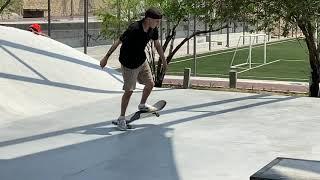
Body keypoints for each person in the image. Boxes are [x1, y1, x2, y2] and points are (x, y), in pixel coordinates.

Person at [100, 7, 167, 131]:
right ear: (148, 19)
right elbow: (119, 41)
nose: (158, 24)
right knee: (129, 91)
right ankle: (121, 119)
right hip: (128, 63)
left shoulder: (153, 29)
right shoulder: (134, 28)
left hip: (141, 60)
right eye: (156, 21)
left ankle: (142, 105)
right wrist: (106, 57)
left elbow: (157, 44)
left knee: (150, 83)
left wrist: (163, 59)